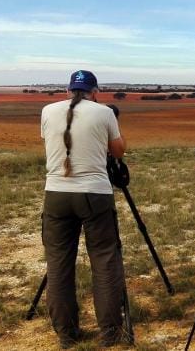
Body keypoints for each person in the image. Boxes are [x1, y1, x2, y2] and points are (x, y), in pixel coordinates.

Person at [40, 70, 127, 349]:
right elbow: (118, 152)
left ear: (67, 90)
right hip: (94, 194)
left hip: (56, 194)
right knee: (104, 260)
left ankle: (66, 334)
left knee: (58, 264)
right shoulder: (104, 113)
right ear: (95, 91)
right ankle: (110, 333)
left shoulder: (47, 111)